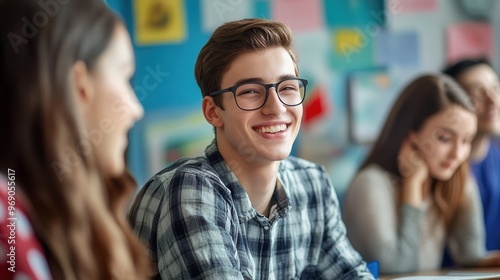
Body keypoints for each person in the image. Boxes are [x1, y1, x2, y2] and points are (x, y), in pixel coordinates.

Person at [128, 18, 374, 279]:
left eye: (288, 87)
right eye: (251, 92)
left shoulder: (313, 183)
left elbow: (353, 274)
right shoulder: (191, 189)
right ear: (213, 112)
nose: (276, 107)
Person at [0, 0, 149, 279]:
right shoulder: (8, 226)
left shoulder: (40, 213)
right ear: (80, 85)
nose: (135, 110)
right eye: (125, 77)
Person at [342, 74, 500, 274]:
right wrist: (413, 187)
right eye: (444, 138)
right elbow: (396, 268)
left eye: (467, 140)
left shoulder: (454, 179)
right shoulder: (370, 183)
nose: (458, 154)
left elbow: (470, 255)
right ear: (410, 134)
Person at [443, 58, 500, 251]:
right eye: (479, 92)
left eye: (495, 88)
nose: (493, 101)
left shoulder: (497, 157)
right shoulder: (441, 167)